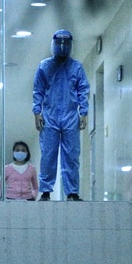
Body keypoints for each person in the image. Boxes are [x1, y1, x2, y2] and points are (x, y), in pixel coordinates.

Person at [33, 29, 90, 201]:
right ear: (53, 44)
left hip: (71, 115)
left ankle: (72, 192)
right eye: (59, 43)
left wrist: (84, 113)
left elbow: (83, 90)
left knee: (71, 155)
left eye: (66, 43)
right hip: (50, 115)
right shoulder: (44, 66)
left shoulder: (76, 67)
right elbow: (38, 90)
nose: (62, 47)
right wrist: (37, 112)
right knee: (48, 154)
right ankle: (45, 191)